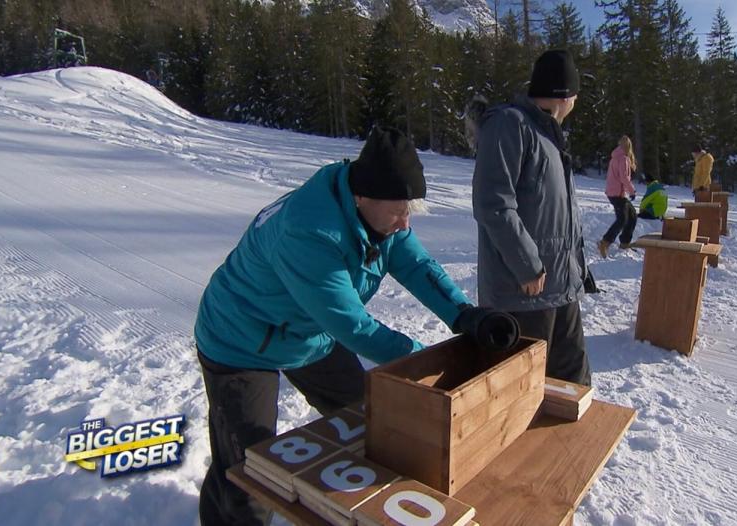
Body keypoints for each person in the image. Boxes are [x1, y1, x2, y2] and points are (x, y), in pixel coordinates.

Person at [194, 125, 517, 526]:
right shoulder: (309, 232)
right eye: (399, 210)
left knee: (367, 422)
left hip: (309, 335)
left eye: (409, 210)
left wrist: (465, 314)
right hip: (239, 338)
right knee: (250, 468)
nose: (404, 223)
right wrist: (429, 363)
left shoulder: (375, 208)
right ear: (361, 197)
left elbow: (416, 264)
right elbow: (354, 327)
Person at [471, 49, 591, 387]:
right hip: (524, 293)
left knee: (573, 387)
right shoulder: (510, 124)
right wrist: (527, 263)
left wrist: (576, 268)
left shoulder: (548, 134)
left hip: (560, 288)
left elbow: (554, 212)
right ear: (566, 95)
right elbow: (492, 202)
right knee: (522, 393)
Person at [598, 135, 637, 258]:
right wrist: (632, 191)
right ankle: (605, 242)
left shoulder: (616, 156)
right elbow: (623, 177)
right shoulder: (623, 158)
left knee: (632, 215)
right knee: (622, 219)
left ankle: (624, 242)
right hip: (617, 193)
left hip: (615, 192)